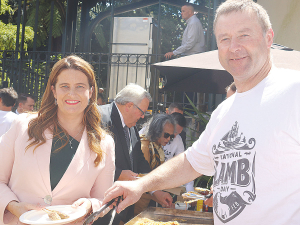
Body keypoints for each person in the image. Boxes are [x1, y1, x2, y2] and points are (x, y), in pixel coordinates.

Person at [103, 1, 300, 224]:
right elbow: (191, 163)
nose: (233, 46)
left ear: (268, 38)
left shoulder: (294, 91)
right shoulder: (224, 111)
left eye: (244, 35)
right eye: (224, 39)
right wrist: (141, 185)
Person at [0, 55, 115, 225]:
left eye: (80, 86)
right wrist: (13, 206)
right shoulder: (22, 125)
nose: (71, 93)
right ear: (53, 90)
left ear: (91, 92)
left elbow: (103, 198)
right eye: (64, 86)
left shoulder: (104, 143)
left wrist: (91, 205)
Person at [96, 84, 172, 225]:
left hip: (123, 209)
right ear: (129, 105)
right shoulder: (100, 117)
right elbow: (88, 160)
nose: (143, 116)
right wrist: (117, 174)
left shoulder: (131, 127)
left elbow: (139, 162)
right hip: (101, 208)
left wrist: (155, 191)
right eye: (142, 111)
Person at [135, 114, 175, 215]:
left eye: (171, 136)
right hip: (138, 203)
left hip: (149, 200)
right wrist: (158, 195)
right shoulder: (145, 145)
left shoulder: (157, 146)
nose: (169, 139)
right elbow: (142, 177)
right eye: (166, 135)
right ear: (157, 132)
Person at [162, 112, 194, 193]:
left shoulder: (178, 139)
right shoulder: (153, 134)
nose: (175, 136)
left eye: (178, 133)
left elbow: (182, 163)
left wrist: (190, 191)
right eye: (175, 131)